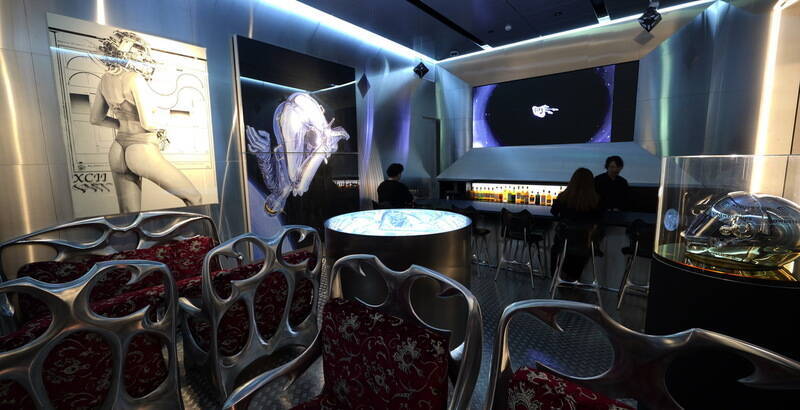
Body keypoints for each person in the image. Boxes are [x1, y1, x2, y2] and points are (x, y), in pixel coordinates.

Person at [90, 30, 202, 213]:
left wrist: (121, 125)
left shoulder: (104, 80)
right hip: (141, 148)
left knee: (129, 216)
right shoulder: (134, 79)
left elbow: (95, 119)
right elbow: (148, 123)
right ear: (127, 51)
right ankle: (200, 233)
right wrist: (163, 126)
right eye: (138, 51)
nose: (141, 56)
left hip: (117, 149)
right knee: (194, 197)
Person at [551, 168, 603, 281]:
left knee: (558, 248)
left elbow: (554, 212)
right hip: (584, 243)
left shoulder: (563, 197)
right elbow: (599, 219)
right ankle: (573, 278)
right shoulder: (595, 200)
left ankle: (556, 277)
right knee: (582, 250)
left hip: (564, 241)